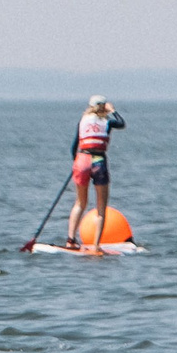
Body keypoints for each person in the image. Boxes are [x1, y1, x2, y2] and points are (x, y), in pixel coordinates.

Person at [64, 97, 127, 247]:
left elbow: (74, 146)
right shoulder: (107, 122)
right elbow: (122, 123)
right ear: (104, 107)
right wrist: (113, 111)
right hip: (98, 161)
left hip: (82, 160)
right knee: (101, 207)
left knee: (80, 203)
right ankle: (96, 245)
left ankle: (70, 240)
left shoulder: (83, 121)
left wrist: (76, 163)